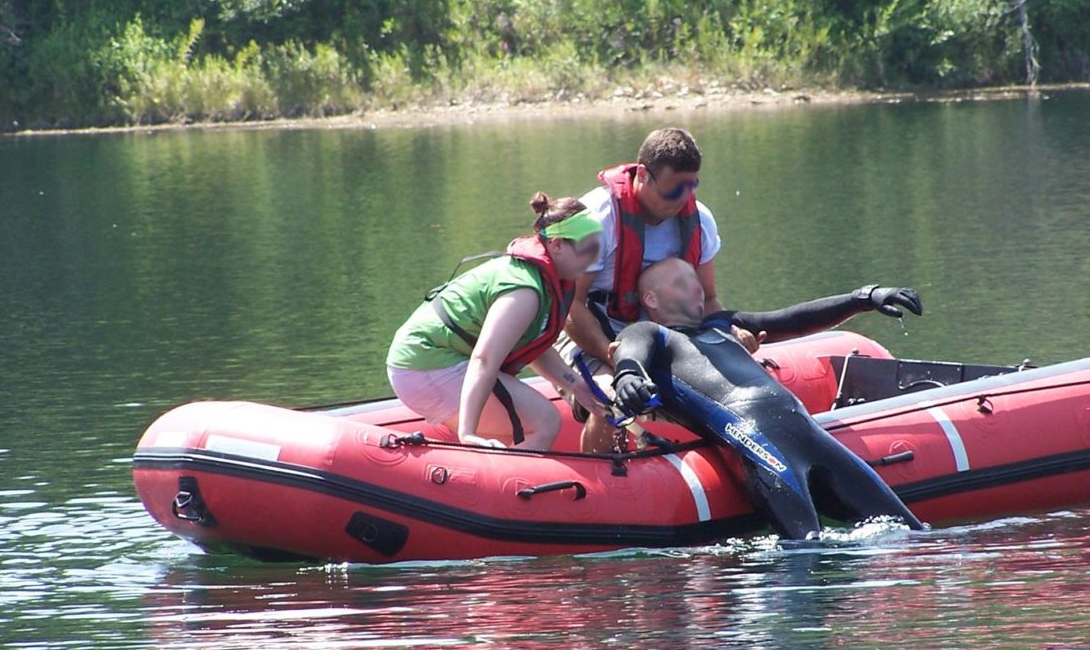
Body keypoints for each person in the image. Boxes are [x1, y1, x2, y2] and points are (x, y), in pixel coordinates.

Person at [608, 258, 926, 539]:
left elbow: (791, 320)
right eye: (681, 282)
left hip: (808, 433)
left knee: (912, 531)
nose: (696, 288)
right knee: (808, 545)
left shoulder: (722, 325)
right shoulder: (650, 333)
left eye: (695, 279)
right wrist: (628, 378)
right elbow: (630, 356)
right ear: (651, 298)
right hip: (756, 441)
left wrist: (864, 298)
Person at [563, 127, 742, 451]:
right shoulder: (597, 218)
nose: (683, 198)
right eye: (674, 190)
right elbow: (569, 306)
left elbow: (711, 300)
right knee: (614, 399)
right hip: (586, 330)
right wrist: (617, 358)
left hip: (656, 336)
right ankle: (600, 478)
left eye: (691, 186)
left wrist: (729, 344)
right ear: (643, 175)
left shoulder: (699, 220)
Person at [386, 194, 612, 450]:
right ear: (557, 245)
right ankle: (506, 487)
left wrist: (577, 386)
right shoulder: (525, 290)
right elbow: (484, 359)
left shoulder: (545, 279)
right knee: (545, 421)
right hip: (427, 363)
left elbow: (535, 347)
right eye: (587, 250)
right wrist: (468, 432)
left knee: (516, 433)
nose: (594, 261)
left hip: (431, 361)